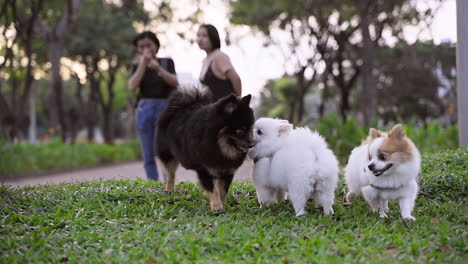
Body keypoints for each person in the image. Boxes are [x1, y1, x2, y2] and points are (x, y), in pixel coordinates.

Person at [128, 31, 178, 181]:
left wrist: (157, 69)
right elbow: (132, 86)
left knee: (164, 151)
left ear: (156, 46)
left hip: (164, 109)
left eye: (148, 45)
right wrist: (143, 63)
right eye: (141, 46)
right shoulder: (137, 66)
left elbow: (175, 82)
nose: (145, 49)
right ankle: (152, 185)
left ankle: (168, 185)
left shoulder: (166, 62)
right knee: (148, 154)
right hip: (144, 109)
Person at [197, 24, 242, 100]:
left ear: (213, 37)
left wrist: (237, 102)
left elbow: (236, 79)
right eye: (198, 35)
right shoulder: (205, 60)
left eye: (204, 36)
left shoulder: (219, 56)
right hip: (213, 108)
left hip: (226, 108)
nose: (200, 39)